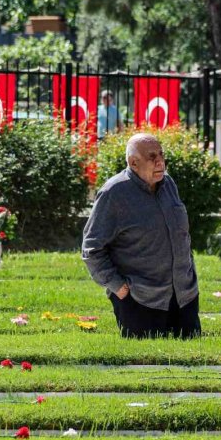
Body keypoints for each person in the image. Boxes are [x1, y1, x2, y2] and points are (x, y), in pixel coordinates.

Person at [82, 133, 200, 338]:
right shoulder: (114, 193)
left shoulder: (168, 184)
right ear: (133, 162)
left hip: (184, 297)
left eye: (161, 154)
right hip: (140, 301)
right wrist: (117, 286)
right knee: (147, 366)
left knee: (192, 366)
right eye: (152, 157)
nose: (160, 161)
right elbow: (92, 249)